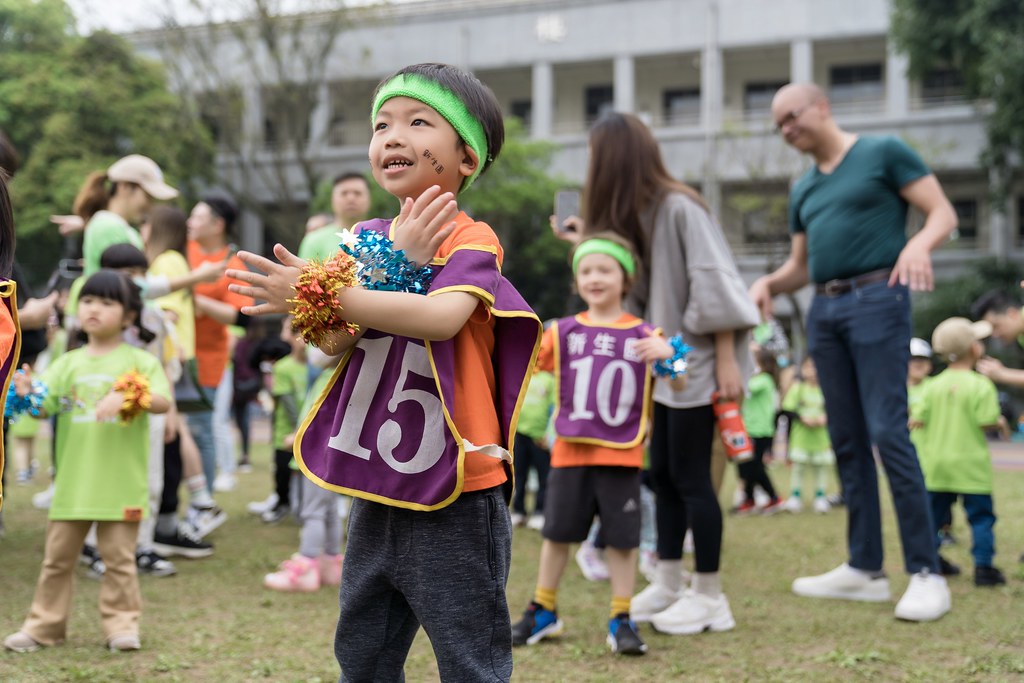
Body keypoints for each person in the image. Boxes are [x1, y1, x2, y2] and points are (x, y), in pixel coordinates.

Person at [226, 62, 541, 682]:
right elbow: (330, 344)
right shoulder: (364, 239)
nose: (393, 136)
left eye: (418, 122)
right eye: (381, 125)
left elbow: (442, 319)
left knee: (470, 658)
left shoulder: (471, 239)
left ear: (467, 157)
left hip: (458, 485)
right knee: (363, 651)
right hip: (376, 479)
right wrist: (324, 294)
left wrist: (330, 290)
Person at [748, 82, 958, 622]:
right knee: (845, 437)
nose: (787, 129)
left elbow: (941, 213)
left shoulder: (882, 152)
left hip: (879, 298)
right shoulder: (803, 188)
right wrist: (770, 283)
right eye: (779, 125)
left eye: (792, 116)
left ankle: (927, 571)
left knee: (888, 431)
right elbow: (801, 266)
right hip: (825, 308)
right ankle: (865, 568)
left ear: (822, 107)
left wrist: (918, 244)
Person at [554, 113, 758, 635]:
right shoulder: (635, 215)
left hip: (698, 363)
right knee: (663, 475)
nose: (590, 165)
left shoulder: (680, 207)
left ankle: (709, 595)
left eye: (595, 154)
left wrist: (728, 359)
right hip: (659, 366)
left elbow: (716, 284)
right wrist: (585, 242)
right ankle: (668, 581)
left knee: (692, 479)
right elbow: (624, 287)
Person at [511, 233, 687, 655]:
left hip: (622, 455)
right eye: (586, 270)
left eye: (605, 269)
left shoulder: (646, 334)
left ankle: (621, 615)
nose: (595, 278)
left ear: (626, 279)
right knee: (556, 534)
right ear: (576, 280)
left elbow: (680, 383)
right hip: (569, 452)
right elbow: (526, 364)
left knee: (622, 540)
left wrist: (670, 354)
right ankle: (543, 609)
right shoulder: (562, 331)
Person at [3, 270, 171, 653]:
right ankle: (43, 627)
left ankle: (121, 626)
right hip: (72, 486)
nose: (94, 309)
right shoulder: (67, 363)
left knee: (120, 562)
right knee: (56, 561)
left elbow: (163, 402)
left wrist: (129, 396)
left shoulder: (141, 361)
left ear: (129, 316)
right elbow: (43, 407)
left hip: (121, 485)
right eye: (88, 301)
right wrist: (26, 392)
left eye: (107, 302)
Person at [910, 317, 1006, 586]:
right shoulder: (981, 384)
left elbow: (917, 418)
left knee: (933, 518)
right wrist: (999, 421)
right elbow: (986, 421)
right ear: (975, 348)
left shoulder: (932, 385)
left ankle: (930, 562)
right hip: (971, 466)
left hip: (937, 466)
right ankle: (984, 568)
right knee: (981, 518)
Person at [263, 323, 345, 591]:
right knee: (329, 511)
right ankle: (331, 564)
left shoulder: (327, 377)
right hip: (331, 456)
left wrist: (298, 436)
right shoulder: (337, 374)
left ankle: (307, 565)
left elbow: (320, 417)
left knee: (312, 512)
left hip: (317, 456)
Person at [186, 195, 253, 493]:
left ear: (217, 225)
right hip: (172, 355)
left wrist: (196, 300)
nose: (189, 222)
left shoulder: (233, 264)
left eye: (197, 217)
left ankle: (204, 500)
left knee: (202, 430)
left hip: (207, 362)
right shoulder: (182, 250)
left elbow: (240, 316)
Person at [780, 356, 834, 514]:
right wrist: (802, 417)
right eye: (809, 367)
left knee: (821, 468)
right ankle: (795, 497)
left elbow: (837, 409)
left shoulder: (827, 389)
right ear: (802, 369)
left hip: (821, 438)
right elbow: (787, 409)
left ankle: (820, 497)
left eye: (816, 366)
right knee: (798, 468)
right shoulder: (798, 388)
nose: (813, 371)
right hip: (801, 437)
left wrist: (825, 417)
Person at [736, 347, 783, 515]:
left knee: (755, 467)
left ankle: (773, 497)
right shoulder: (760, 379)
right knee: (746, 466)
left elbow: (746, 386)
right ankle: (749, 499)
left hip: (760, 431)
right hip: (749, 429)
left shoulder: (764, 380)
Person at [510, 364, 555, 530]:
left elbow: (554, 408)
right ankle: (518, 511)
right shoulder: (524, 374)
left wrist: (548, 434)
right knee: (519, 475)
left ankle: (539, 512)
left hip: (540, 438)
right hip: (520, 435)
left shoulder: (549, 380)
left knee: (544, 477)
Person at [298, 173, 372, 261]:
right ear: (332, 199)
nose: (351, 198)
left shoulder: (381, 236)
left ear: (369, 199)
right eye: (344, 193)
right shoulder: (313, 240)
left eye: (357, 193)